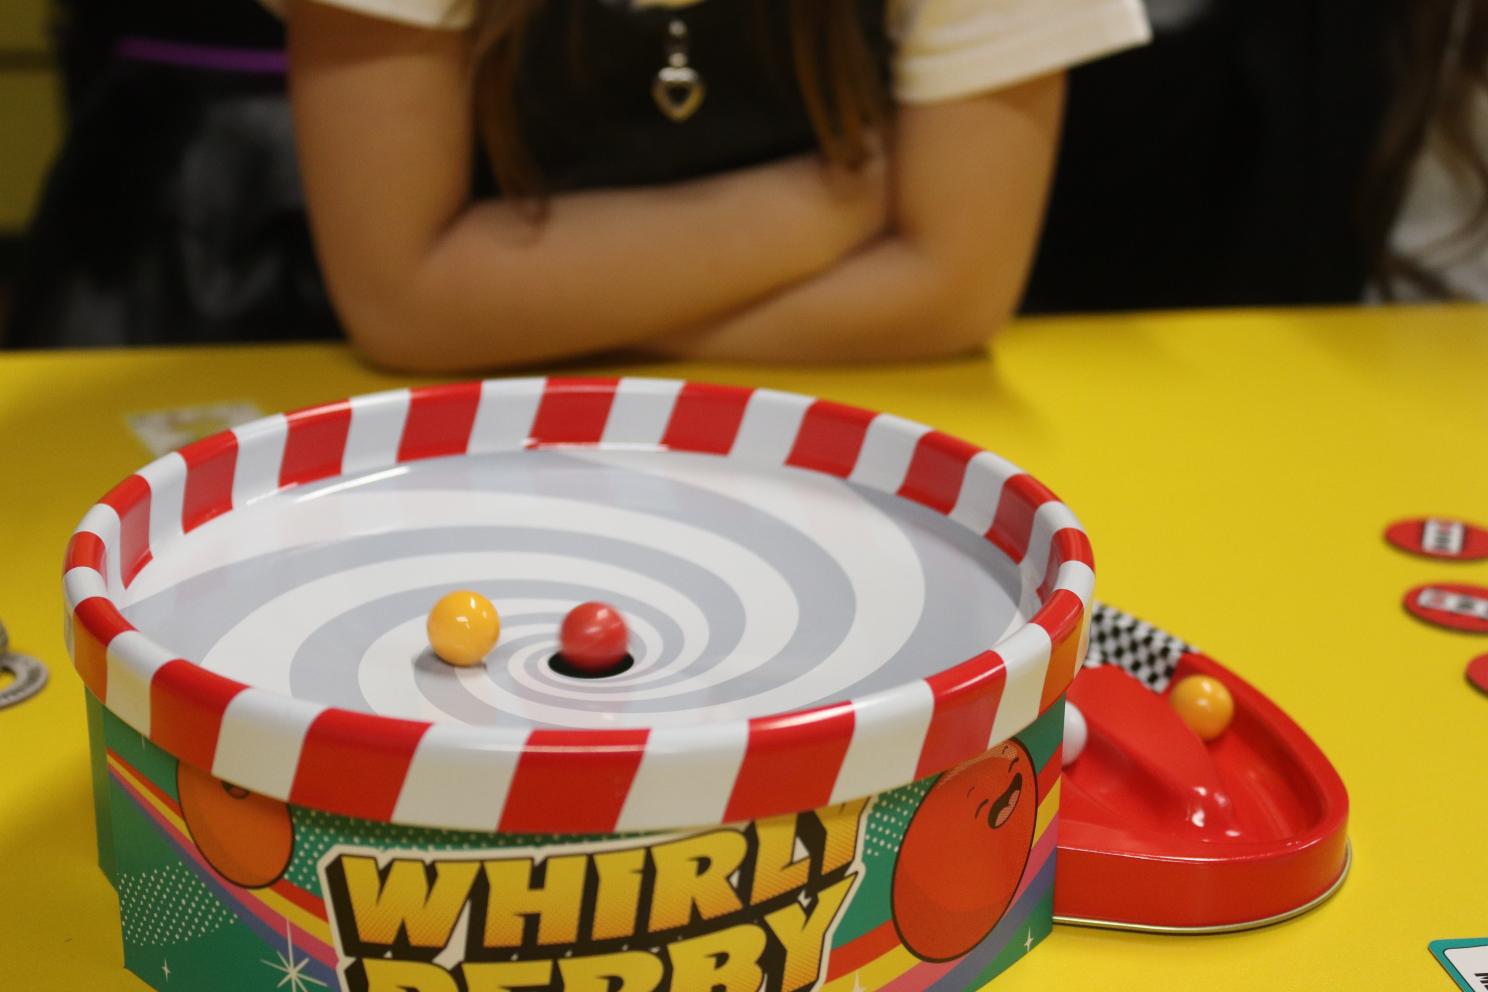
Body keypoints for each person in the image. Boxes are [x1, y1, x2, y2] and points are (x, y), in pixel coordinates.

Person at [279, 0, 1152, 371]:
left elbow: (954, 291)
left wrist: (512, 312)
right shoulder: (838, 205)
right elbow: (397, 300)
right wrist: (829, 206)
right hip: (457, 444)